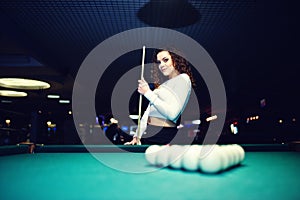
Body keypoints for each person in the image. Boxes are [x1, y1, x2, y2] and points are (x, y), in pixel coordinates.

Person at [124, 48, 195, 145]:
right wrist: (137, 136)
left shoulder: (183, 78)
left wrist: (148, 93)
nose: (161, 65)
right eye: (159, 62)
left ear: (176, 59)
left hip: (164, 135)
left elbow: (172, 114)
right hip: (149, 133)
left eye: (165, 60)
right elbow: (147, 113)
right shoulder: (163, 85)